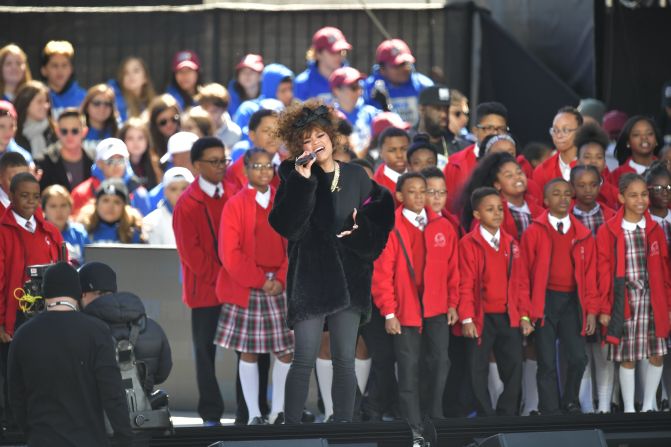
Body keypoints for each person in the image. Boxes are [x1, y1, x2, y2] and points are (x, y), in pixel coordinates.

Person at [269, 100, 394, 424]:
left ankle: (344, 427)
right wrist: (303, 181)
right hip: (309, 279)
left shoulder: (354, 174)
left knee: (344, 360)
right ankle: (292, 430)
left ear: (332, 137)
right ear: (298, 146)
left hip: (349, 277)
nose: (314, 145)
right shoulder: (291, 174)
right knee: (304, 358)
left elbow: (383, 211)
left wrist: (360, 230)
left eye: (319, 136)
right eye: (306, 140)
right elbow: (287, 226)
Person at [371, 172, 457, 443]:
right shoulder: (391, 227)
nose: (421, 196)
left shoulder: (443, 226)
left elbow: (452, 270)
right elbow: (382, 274)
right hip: (405, 312)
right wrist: (389, 312)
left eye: (425, 191)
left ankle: (435, 419)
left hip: (436, 309)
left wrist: (453, 303)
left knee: (440, 363)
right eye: (413, 191)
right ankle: (413, 426)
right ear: (399, 196)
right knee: (408, 368)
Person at [8, 261, 133, 447]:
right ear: (77, 292)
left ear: (45, 292)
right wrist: (124, 438)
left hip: (42, 439)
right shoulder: (97, 331)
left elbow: (15, 396)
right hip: (89, 440)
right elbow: (112, 393)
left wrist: (31, 432)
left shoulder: (23, 335)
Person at [215, 148, 293, 425]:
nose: (263, 171)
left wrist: (281, 279)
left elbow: (292, 245)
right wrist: (261, 281)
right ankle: (254, 414)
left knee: (286, 352)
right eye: (257, 166)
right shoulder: (235, 204)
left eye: (268, 166)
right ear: (245, 170)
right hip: (248, 287)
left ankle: (278, 411)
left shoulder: (282, 202)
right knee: (248, 351)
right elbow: (230, 253)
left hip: (278, 287)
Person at [519, 178, 598, 415]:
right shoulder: (534, 231)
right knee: (545, 361)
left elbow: (591, 275)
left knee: (577, 358)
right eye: (556, 194)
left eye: (566, 194)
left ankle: (570, 401)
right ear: (545, 200)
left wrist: (592, 310)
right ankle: (550, 409)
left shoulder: (583, 233)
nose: (563, 198)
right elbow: (522, 275)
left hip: (573, 302)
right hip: (543, 301)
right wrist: (525, 313)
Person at [597, 173, 671, 413]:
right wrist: (605, 308)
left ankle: (649, 404)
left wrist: (668, 305)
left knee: (657, 352)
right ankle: (629, 408)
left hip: (653, 299)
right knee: (627, 356)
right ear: (620, 197)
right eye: (633, 195)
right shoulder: (609, 230)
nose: (640, 200)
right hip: (625, 300)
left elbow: (664, 270)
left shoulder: (654, 229)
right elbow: (604, 272)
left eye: (644, 194)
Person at [458, 187, 532, 416]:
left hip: (507, 315)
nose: (497, 213)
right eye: (490, 210)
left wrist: (524, 316)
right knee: (476, 367)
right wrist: (467, 318)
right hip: (481, 317)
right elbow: (466, 284)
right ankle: (484, 413)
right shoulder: (468, 243)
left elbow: (520, 283)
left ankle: (506, 412)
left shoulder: (511, 243)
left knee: (514, 366)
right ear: (477, 215)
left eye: (500, 209)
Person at [173, 136, 231, 425]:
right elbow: (191, 255)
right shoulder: (186, 204)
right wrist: (225, 278)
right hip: (206, 292)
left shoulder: (233, 192)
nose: (221, 166)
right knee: (205, 353)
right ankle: (210, 414)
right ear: (196, 166)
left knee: (252, 348)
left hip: (236, 286)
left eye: (224, 160)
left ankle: (252, 410)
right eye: (214, 161)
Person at [0, 172, 65, 424]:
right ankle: (11, 425)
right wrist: (2, 322)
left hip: (46, 316)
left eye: (35, 196)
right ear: (11, 196)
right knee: (12, 373)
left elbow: (63, 269)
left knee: (43, 370)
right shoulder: (3, 231)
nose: (30, 201)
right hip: (14, 317)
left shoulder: (49, 231)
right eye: (24, 196)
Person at [79, 261, 172, 397]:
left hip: (97, 414)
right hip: (141, 414)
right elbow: (162, 374)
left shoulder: (80, 331)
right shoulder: (152, 327)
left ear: (83, 294)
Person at [569, 165, 616, 414]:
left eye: (593, 184)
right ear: (572, 187)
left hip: (606, 289)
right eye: (581, 185)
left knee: (603, 349)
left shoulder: (610, 217)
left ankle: (605, 405)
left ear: (601, 185)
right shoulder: (565, 217)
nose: (588, 190)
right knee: (581, 352)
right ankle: (586, 406)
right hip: (576, 294)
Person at [458, 152, 543, 241]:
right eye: (509, 176)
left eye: (519, 172)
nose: (517, 177)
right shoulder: (488, 214)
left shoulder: (539, 210)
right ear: (497, 184)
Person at [443, 101, 509, 211]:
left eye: (500, 129)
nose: (495, 134)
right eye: (488, 128)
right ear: (475, 131)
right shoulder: (455, 163)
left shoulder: (515, 162)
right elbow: (449, 207)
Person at [70, 138, 149, 217]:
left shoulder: (139, 194)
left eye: (121, 160)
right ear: (99, 163)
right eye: (110, 161)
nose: (116, 165)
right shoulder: (81, 194)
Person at [363, 39, 433, 126]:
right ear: (382, 69)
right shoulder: (368, 89)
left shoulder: (424, 86)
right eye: (397, 66)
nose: (404, 69)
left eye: (405, 63)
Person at [225, 109, 283, 194]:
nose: (273, 135)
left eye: (277, 131)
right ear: (252, 135)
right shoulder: (236, 171)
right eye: (266, 130)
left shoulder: (291, 164)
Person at [233, 63, 295, 140]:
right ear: (270, 90)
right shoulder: (248, 110)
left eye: (291, 89)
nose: (290, 95)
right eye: (283, 91)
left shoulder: (294, 113)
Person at [38, 108, 94, 192]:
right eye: (64, 131)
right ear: (57, 131)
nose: (69, 136)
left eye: (74, 131)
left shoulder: (94, 160)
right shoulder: (44, 161)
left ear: (84, 132)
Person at [415, 85, 470, 168]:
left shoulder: (462, 148)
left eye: (446, 109)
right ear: (422, 109)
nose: (444, 115)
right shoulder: (406, 143)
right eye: (438, 109)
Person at [329, 66, 380, 156]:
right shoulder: (329, 117)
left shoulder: (371, 113)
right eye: (353, 87)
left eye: (360, 87)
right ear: (336, 90)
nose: (359, 91)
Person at [78, 178, 144, 244]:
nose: (110, 206)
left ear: (124, 207)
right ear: (96, 204)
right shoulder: (82, 232)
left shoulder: (134, 234)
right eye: (105, 200)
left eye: (117, 202)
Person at [294, 28, 351, 103]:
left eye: (341, 51)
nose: (338, 56)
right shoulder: (302, 83)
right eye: (333, 52)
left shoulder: (353, 81)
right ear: (317, 53)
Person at [532, 106, 583, 190]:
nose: (558, 135)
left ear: (580, 131)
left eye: (565, 130)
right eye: (555, 130)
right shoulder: (542, 171)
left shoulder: (593, 165)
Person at [142, 167, 193, 245]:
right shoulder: (151, 222)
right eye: (173, 189)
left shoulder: (205, 218)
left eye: (184, 188)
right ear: (165, 192)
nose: (180, 193)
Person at [575, 122, 619, 210]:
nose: (593, 161)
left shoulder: (615, 193)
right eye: (587, 157)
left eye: (599, 157)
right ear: (578, 161)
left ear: (605, 162)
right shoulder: (569, 190)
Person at [41, 184, 89, 266]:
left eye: (63, 205)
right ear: (44, 210)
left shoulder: (79, 232)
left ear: (70, 207)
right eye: (53, 206)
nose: (59, 211)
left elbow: (88, 263)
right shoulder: (38, 233)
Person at [40, 40, 86, 119]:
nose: (60, 70)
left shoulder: (84, 98)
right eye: (54, 65)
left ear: (71, 69)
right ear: (44, 70)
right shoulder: (37, 99)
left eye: (64, 65)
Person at [611, 116, 661, 187]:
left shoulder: (667, 169)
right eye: (636, 135)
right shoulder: (616, 176)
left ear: (656, 140)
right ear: (628, 142)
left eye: (649, 133)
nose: (644, 138)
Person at [13, 80, 57, 161]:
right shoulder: (13, 133)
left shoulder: (55, 132)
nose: (46, 106)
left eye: (47, 101)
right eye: (40, 101)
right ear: (26, 103)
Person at [109, 56, 156, 122]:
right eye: (126, 72)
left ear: (145, 77)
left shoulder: (153, 103)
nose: (131, 75)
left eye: (136, 71)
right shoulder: (113, 99)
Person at [195, 83, 242, 148]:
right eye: (205, 109)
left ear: (223, 110)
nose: (208, 115)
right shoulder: (192, 126)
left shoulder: (234, 133)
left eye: (214, 111)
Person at [120, 118, 162, 189]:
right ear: (123, 141)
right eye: (130, 138)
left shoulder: (156, 165)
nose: (136, 143)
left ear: (147, 140)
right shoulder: (118, 166)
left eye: (140, 138)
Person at [372, 126, 410, 205]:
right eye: (392, 150)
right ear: (381, 153)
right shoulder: (376, 187)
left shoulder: (420, 173)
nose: (399, 155)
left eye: (404, 149)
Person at [80, 84, 119, 159]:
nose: (102, 108)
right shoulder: (74, 130)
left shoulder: (119, 131)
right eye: (97, 103)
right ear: (87, 106)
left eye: (107, 104)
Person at [148, 94, 181, 159]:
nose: (169, 125)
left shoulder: (186, 139)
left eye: (174, 119)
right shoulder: (149, 149)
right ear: (155, 124)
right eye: (163, 122)